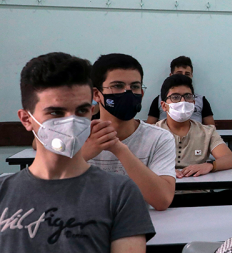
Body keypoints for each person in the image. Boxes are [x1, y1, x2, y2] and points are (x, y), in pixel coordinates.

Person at [0, 52, 154, 252]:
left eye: (81, 111)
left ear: (91, 112)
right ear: (26, 119)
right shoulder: (4, 192)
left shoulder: (119, 193)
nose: (71, 122)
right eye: (56, 112)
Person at [83, 53, 176, 211]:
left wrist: (119, 149)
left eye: (134, 87)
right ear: (97, 94)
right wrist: (82, 154)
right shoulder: (78, 136)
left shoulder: (159, 138)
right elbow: (50, 190)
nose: (127, 93)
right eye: (117, 86)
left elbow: (162, 200)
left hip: (139, 226)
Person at [154, 74, 232, 207]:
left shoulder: (207, 131)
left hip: (199, 195)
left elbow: (231, 160)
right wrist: (163, 170)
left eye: (188, 96)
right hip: (165, 197)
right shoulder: (153, 132)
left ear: (193, 103)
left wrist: (210, 166)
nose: (183, 102)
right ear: (164, 105)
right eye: (175, 97)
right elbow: (139, 165)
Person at [146, 56, 215, 125]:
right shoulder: (159, 100)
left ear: (191, 75)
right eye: (179, 73)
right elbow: (150, 127)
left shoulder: (201, 100)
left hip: (196, 134)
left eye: (187, 74)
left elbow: (210, 127)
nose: (183, 76)